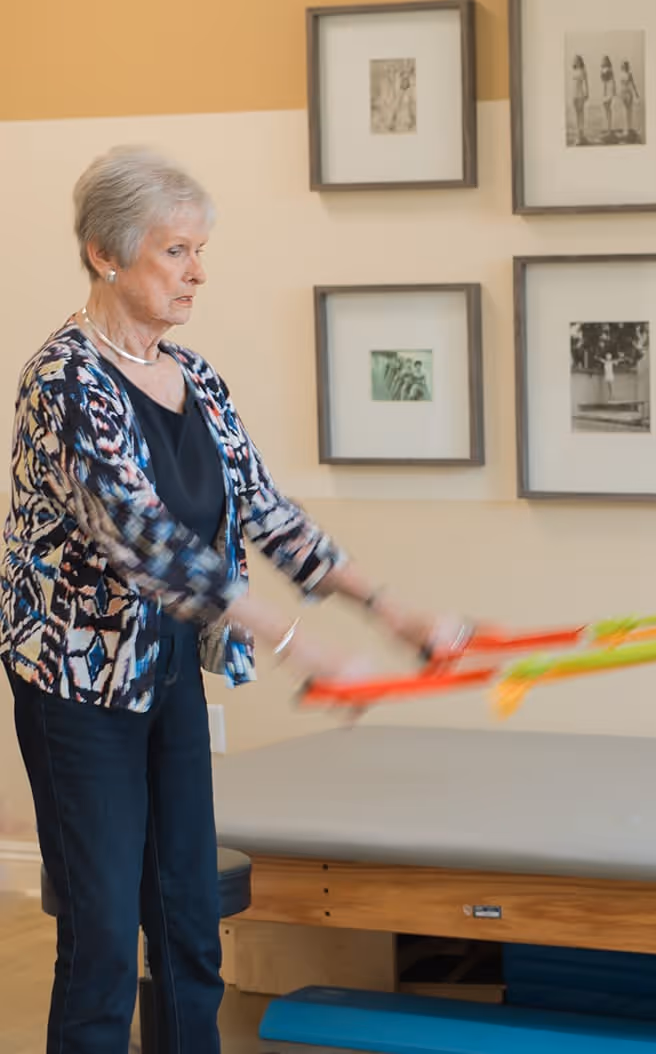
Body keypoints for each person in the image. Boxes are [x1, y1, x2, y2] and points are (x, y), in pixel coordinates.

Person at [1, 145, 467, 1054]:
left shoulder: (196, 377)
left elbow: (267, 513)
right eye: (175, 251)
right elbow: (151, 549)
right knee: (99, 946)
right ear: (105, 252)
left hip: (166, 668)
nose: (197, 271)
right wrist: (304, 646)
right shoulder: (64, 382)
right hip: (74, 685)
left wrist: (391, 608)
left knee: (188, 924)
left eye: (199, 250)